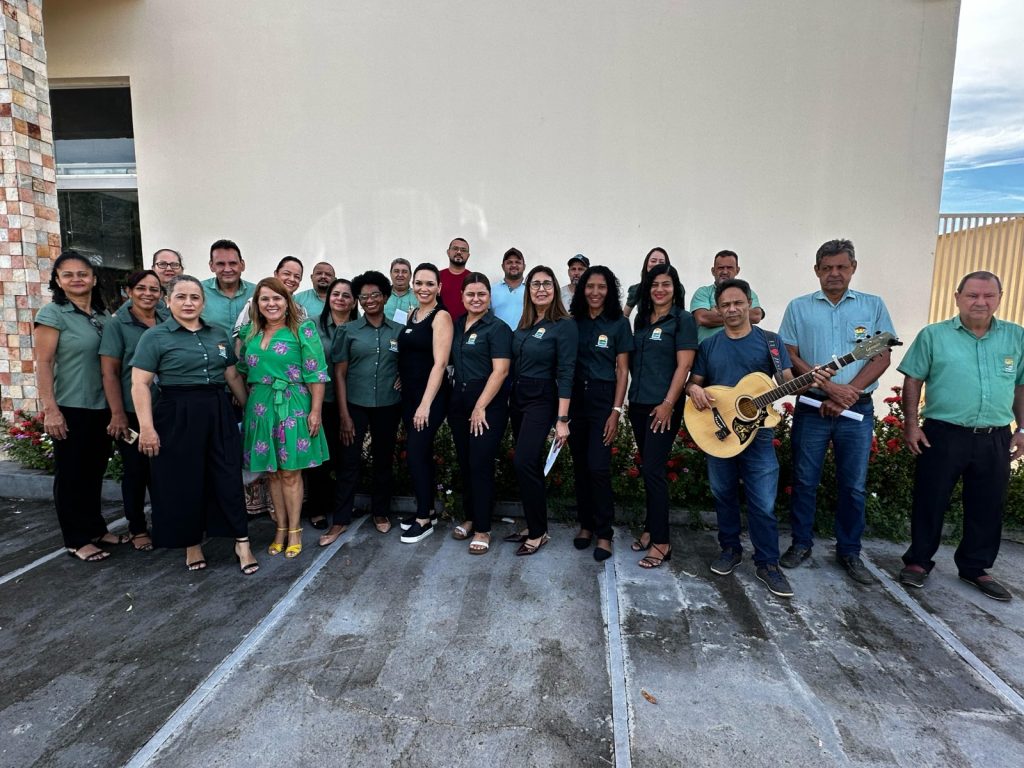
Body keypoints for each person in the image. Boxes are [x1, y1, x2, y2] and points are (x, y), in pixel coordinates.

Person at [687, 278, 823, 597]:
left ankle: (768, 564)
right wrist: (692, 389)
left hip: (758, 434)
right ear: (718, 310)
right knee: (723, 494)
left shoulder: (772, 343)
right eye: (725, 305)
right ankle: (730, 550)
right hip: (719, 431)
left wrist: (813, 379)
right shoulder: (709, 346)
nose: (732, 309)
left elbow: (789, 383)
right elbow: (695, 383)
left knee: (762, 503)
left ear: (749, 304)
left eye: (738, 303)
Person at [899, 271, 1024, 601]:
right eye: (972, 296)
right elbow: (913, 379)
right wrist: (911, 424)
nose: (980, 302)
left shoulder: (1016, 337)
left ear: (999, 298)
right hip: (944, 434)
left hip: (995, 435)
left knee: (988, 504)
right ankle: (918, 562)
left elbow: (1021, 386)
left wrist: (1022, 429)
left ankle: (975, 567)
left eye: (988, 296)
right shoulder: (934, 336)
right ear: (957, 297)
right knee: (931, 498)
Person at [777, 239, 895, 584]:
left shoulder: (872, 307)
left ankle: (849, 551)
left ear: (853, 268)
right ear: (816, 271)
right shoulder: (799, 308)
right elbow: (789, 354)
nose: (834, 274)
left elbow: (881, 353)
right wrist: (829, 388)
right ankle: (801, 544)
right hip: (813, 405)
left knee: (853, 485)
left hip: (855, 409)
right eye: (827, 268)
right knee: (804, 481)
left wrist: (848, 393)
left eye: (841, 267)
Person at [131, 275, 259, 574]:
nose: (188, 303)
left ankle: (242, 542)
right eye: (181, 297)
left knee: (228, 476)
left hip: (217, 410)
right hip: (177, 413)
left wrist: (251, 414)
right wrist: (147, 427)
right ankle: (192, 543)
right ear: (168, 301)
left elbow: (232, 377)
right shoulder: (155, 337)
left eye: (194, 297)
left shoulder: (218, 334)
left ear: (203, 302)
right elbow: (139, 384)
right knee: (185, 480)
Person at [34, 250, 121, 562]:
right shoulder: (53, 314)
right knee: (71, 475)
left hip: (101, 406)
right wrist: (51, 409)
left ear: (94, 279)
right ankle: (76, 538)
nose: (76, 279)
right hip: (70, 405)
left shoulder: (102, 316)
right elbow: (43, 363)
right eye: (68, 274)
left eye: (82, 274)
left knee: (94, 470)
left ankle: (95, 527)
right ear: (58, 280)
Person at [236, 278, 329, 559]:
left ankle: (294, 531)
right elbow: (240, 369)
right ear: (257, 303)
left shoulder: (303, 329)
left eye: (277, 298)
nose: (271, 304)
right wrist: (246, 404)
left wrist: (316, 411)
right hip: (260, 408)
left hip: (293, 405)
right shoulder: (249, 332)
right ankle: (280, 528)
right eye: (265, 299)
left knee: (290, 473)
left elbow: (316, 372)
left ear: (286, 302)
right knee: (272, 473)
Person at [627, 264, 697, 568]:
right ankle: (649, 528)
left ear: (675, 288)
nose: (659, 290)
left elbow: (684, 366)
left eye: (666, 284)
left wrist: (669, 402)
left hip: (663, 406)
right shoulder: (642, 320)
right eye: (654, 284)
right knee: (648, 468)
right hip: (639, 403)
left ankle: (662, 541)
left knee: (654, 470)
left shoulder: (682, 320)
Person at [505, 265, 578, 556]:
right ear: (528, 290)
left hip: (542, 398)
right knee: (529, 465)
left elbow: (566, 371)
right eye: (535, 284)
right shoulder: (524, 324)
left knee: (524, 461)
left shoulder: (564, 324)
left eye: (547, 284)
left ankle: (538, 533)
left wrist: (562, 419)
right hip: (518, 397)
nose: (541, 289)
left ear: (555, 288)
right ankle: (535, 524)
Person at [329, 271, 404, 535]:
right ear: (358, 301)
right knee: (349, 462)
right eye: (364, 296)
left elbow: (410, 364)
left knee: (383, 461)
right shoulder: (347, 331)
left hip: (388, 404)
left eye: (375, 295)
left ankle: (381, 513)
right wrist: (344, 415)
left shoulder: (399, 331)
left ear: (385, 297)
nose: (369, 300)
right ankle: (340, 520)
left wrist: (403, 377)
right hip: (355, 405)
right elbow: (338, 373)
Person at [99, 270, 168, 552]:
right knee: (136, 471)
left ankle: (165, 522)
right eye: (141, 288)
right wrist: (117, 414)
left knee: (162, 471)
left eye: (154, 289)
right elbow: (110, 373)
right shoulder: (118, 325)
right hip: (131, 412)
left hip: (164, 410)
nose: (148, 294)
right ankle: (138, 527)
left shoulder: (167, 319)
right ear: (129, 291)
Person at [567, 265, 633, 561]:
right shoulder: (573, 321)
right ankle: (586, 525)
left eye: (601, 287)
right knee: (580, 465)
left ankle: (604, 533)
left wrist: (616, 411)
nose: (595, 292)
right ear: (582, 289)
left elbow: (622, 370)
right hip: (575, 400)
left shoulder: (619, 323)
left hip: (603, 399)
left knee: (598, 467)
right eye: (590, 286)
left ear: (610, 290)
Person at [448, 273, 512, 554]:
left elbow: (501, 371)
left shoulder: (497, 328)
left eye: (481, 294)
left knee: (481, 463)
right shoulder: (457, 324)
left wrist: (480, 406)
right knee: (465, 462)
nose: (476, 299)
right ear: (462, 296)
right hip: (459, 402)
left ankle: (484, 529)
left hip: (488, 406)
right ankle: (471, 517)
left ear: (489, 297)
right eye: (470, 294)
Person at [397, 263, 454, 543]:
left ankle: (424, 520)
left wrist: (425, 404)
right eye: (419, 283)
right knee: (421, 453)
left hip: (429, 397)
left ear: (439, 288)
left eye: (430, 284)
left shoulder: (441, 316)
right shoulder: (412, 313)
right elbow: (410, 354)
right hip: (408, 394)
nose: (423, 288)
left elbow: (440, 363)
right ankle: (427, 509)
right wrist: (401, 378)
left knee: (416, 452)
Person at [309, 278, 358, 539]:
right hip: (321, 400)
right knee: (319, 458)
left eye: (346, 295)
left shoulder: (359, 326)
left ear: (354, 301)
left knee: (345, 458)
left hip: (353, 401)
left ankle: (342, 508)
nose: (340, 298)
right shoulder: (312, 326)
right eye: (335, 294)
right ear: (328, 298)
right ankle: (317, 508)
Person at [690, 250, 765, 343]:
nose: (725, 272)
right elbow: (703, 318)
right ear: (713, 271)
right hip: (708, 351)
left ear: (737, 270)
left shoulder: (747, 292)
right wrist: (740, 315)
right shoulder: (703, 292)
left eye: (729, 268)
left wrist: (717, 313)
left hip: (742, 347)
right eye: (721, 268)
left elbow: (756, 315)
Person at [232, 256, 307, 336]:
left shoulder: (301, 311)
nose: (292, 279)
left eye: (297, 276)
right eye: (286, 274)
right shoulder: (254, 303)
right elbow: (239, 339)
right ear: (276, 274)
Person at [201, 239, 255, 336]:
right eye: (220, 264)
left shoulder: (257, 293)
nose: (227, 269)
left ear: (242, 265)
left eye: (233, 263)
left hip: (249, 351)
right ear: (211, 266)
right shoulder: (198, 292)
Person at [623, 247, 670, 318]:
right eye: (653, 261)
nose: (657, 264)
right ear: (646, 263)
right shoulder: (636, 289)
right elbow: (625, 315)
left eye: (661, 262)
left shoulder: (676, 287)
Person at [490, 247, 526, 329]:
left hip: (526, 339)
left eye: (518, 262)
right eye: (509, 262)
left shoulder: (532, 290)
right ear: (503, 266)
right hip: (497, 338)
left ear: (524, 266)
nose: (514, 265)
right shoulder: (491, 290)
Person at [439, 237, 471, 321]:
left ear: (468, 255)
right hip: (439, 327)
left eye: (463, 250)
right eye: (455, 248)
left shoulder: (473, 279)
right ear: (448, 252)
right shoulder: (437, 276)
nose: (459, 252)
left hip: (466, 329)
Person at [383, 258, 418, 323]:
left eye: (404, 272)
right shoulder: (381, 296)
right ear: (390, 274)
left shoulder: (418, 297)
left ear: (410, 275)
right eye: (396, 271)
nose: (400, 275)